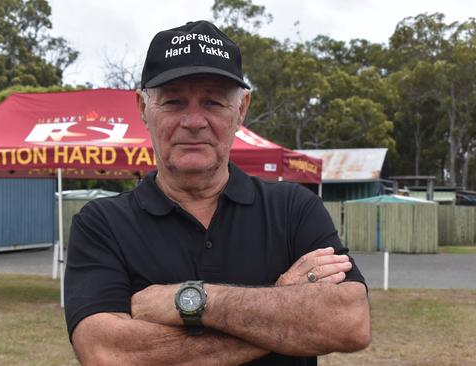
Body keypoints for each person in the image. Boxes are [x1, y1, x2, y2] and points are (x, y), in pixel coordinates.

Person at [64, 20, 370, 365]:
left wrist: (190, 299)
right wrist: (284, 309)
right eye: (174, 102)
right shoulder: (102, 223)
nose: (194, 121)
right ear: (142, 109)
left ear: (241, 110)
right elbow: (108, 352)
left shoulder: (294, 208)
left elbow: (349, 322)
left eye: (212, 102)